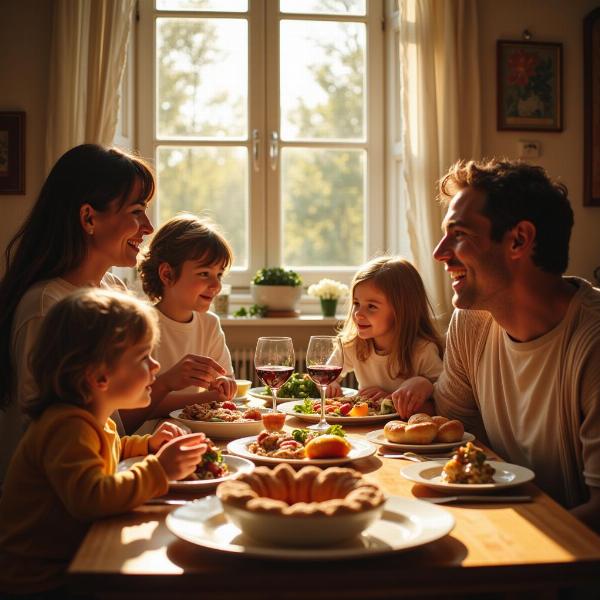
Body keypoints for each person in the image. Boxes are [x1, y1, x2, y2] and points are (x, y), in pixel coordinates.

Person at [0, 289, 208, 597]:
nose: (155, 367)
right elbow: (91, 499)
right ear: (99, 377)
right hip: (41, 581)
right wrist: (159, 470)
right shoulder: (67, 428)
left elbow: (110, 449)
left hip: (72, 561)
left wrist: (147, 445)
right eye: (143, 357)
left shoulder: (91, 419)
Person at [432, 158, 600, 532]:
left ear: (519, 240)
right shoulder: (472, 320)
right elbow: (456, 438)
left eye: (458, 234)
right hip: (503, 530)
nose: (440, 253)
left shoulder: (592, 342)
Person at [0, 144, 156, 482]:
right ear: (88, 218)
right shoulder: (47, 307)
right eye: (136, 211)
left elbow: (109, 421)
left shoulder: (111, 289)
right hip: (57, 508)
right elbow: (48, 443)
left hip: (103, 475)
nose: (149, 226)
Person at [128, 214, 236, 433]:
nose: (216, 285)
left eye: (219, 274)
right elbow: (132, 408)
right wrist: (208, 396)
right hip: (149, 438)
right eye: (204, 273)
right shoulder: (138, 325)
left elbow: (226, 383)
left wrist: (225, 384)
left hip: (195, 430)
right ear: (167, 274)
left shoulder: (209, 324)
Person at [328, 256, 443, 417]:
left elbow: (444, 396)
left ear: (402, 310)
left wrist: (424, 384)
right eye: (356, 303)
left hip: (403, 432)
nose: (358, 313)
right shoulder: (353, 345)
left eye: (372, 306)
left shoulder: (422, 350)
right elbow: (326, 374)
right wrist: (331, 383)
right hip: (364, 429)